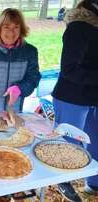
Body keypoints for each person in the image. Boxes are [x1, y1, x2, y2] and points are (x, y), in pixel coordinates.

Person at [52, 0, 98, 200]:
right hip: (71, 97)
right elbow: (69, 68)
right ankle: (62, 182)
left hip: (93, 97)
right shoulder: (79, 27)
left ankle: (94, 183)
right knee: (68, 144)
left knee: (95, 142)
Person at [0, 8, 41, 122]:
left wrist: (19, 88)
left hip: (14, 114)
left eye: (16, 27)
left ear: (21, 30)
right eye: (6, 27)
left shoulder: (30, 51)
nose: (11, 32)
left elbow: (33, 78)